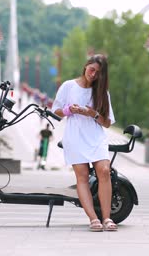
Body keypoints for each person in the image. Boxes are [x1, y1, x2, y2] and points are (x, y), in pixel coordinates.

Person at [51, 54, 117, 232]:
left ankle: (107, 217)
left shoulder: (102, 92)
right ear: (86, 66)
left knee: (104, 170)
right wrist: (68, 110)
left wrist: (92, 113)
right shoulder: (69, 86)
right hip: (75, 136)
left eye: (98, 73)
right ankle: (93, 219)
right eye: (92, 69)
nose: (94, 74)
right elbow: (55, 111)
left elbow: (107, 122)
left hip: (95, 136)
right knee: (83, 176)